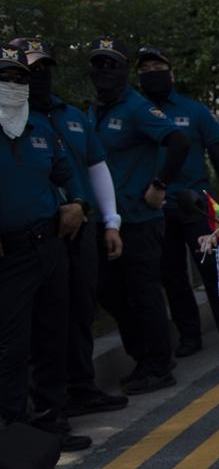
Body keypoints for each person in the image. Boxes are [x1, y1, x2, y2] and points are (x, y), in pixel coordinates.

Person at [14, 37, 128, 421]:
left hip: (81, 228)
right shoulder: (14, 119)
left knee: (80, 309)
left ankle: (81, 387)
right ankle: (47, 406)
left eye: (45, 68)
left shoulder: (72, 116)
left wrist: (108, 219)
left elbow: (95, 167)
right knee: (43, 323)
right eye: (30, 70)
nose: (38, 76)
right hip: (39, 234)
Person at [88, 37, 192, 395]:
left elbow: (179, 141)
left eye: (112, 65)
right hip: (107, 221)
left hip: (139, 218)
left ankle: (159, 365)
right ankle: (142, 356)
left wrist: (159, 184)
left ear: (124, 71)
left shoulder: (137, 107)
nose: (104, 72)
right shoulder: (96, 108)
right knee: (111, 293)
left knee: (144, 293)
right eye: (99, 65)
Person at [135, 46, 219, 365]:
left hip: (194, 204)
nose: (152, 74)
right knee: (171, 275)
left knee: (213, 270)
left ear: (171, 73)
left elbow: (218, 153)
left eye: (158, 67)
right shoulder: (136, 111)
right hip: (154, 208)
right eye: (145, 71)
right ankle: (189, 335)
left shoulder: (194, 111)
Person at [0, 46, 91, 448]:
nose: (16, 86)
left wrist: (77, 202)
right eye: (6, 78)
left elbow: (67, 170)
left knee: (54, 335)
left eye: (22, 78)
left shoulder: (39, 128)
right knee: (12, 348)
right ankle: (16, 438)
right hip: (8, 255)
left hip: (49, 245)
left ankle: (52, 424)